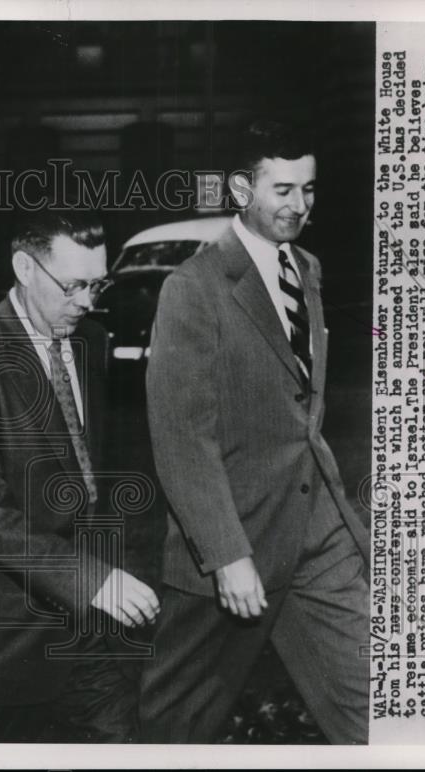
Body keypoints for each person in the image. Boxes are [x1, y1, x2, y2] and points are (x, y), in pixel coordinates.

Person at [139, 119, 370, 744]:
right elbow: (182, 435)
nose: (300, 206)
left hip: (319, 533)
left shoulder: (309, 270)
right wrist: (227, 554)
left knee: (377, 706)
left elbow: (302, 408)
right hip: (234, 543)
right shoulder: (193, 288)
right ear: (241, 189)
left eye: (310, 190)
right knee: (177, 725)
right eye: (284, 189)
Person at [0, 210, 160, 742]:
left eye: (97, 283)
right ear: (24, 268)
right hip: (2, 642)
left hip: (90, 627)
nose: (87, 302)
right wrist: (90, 579)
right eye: (74, 285)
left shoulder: (91, 342)